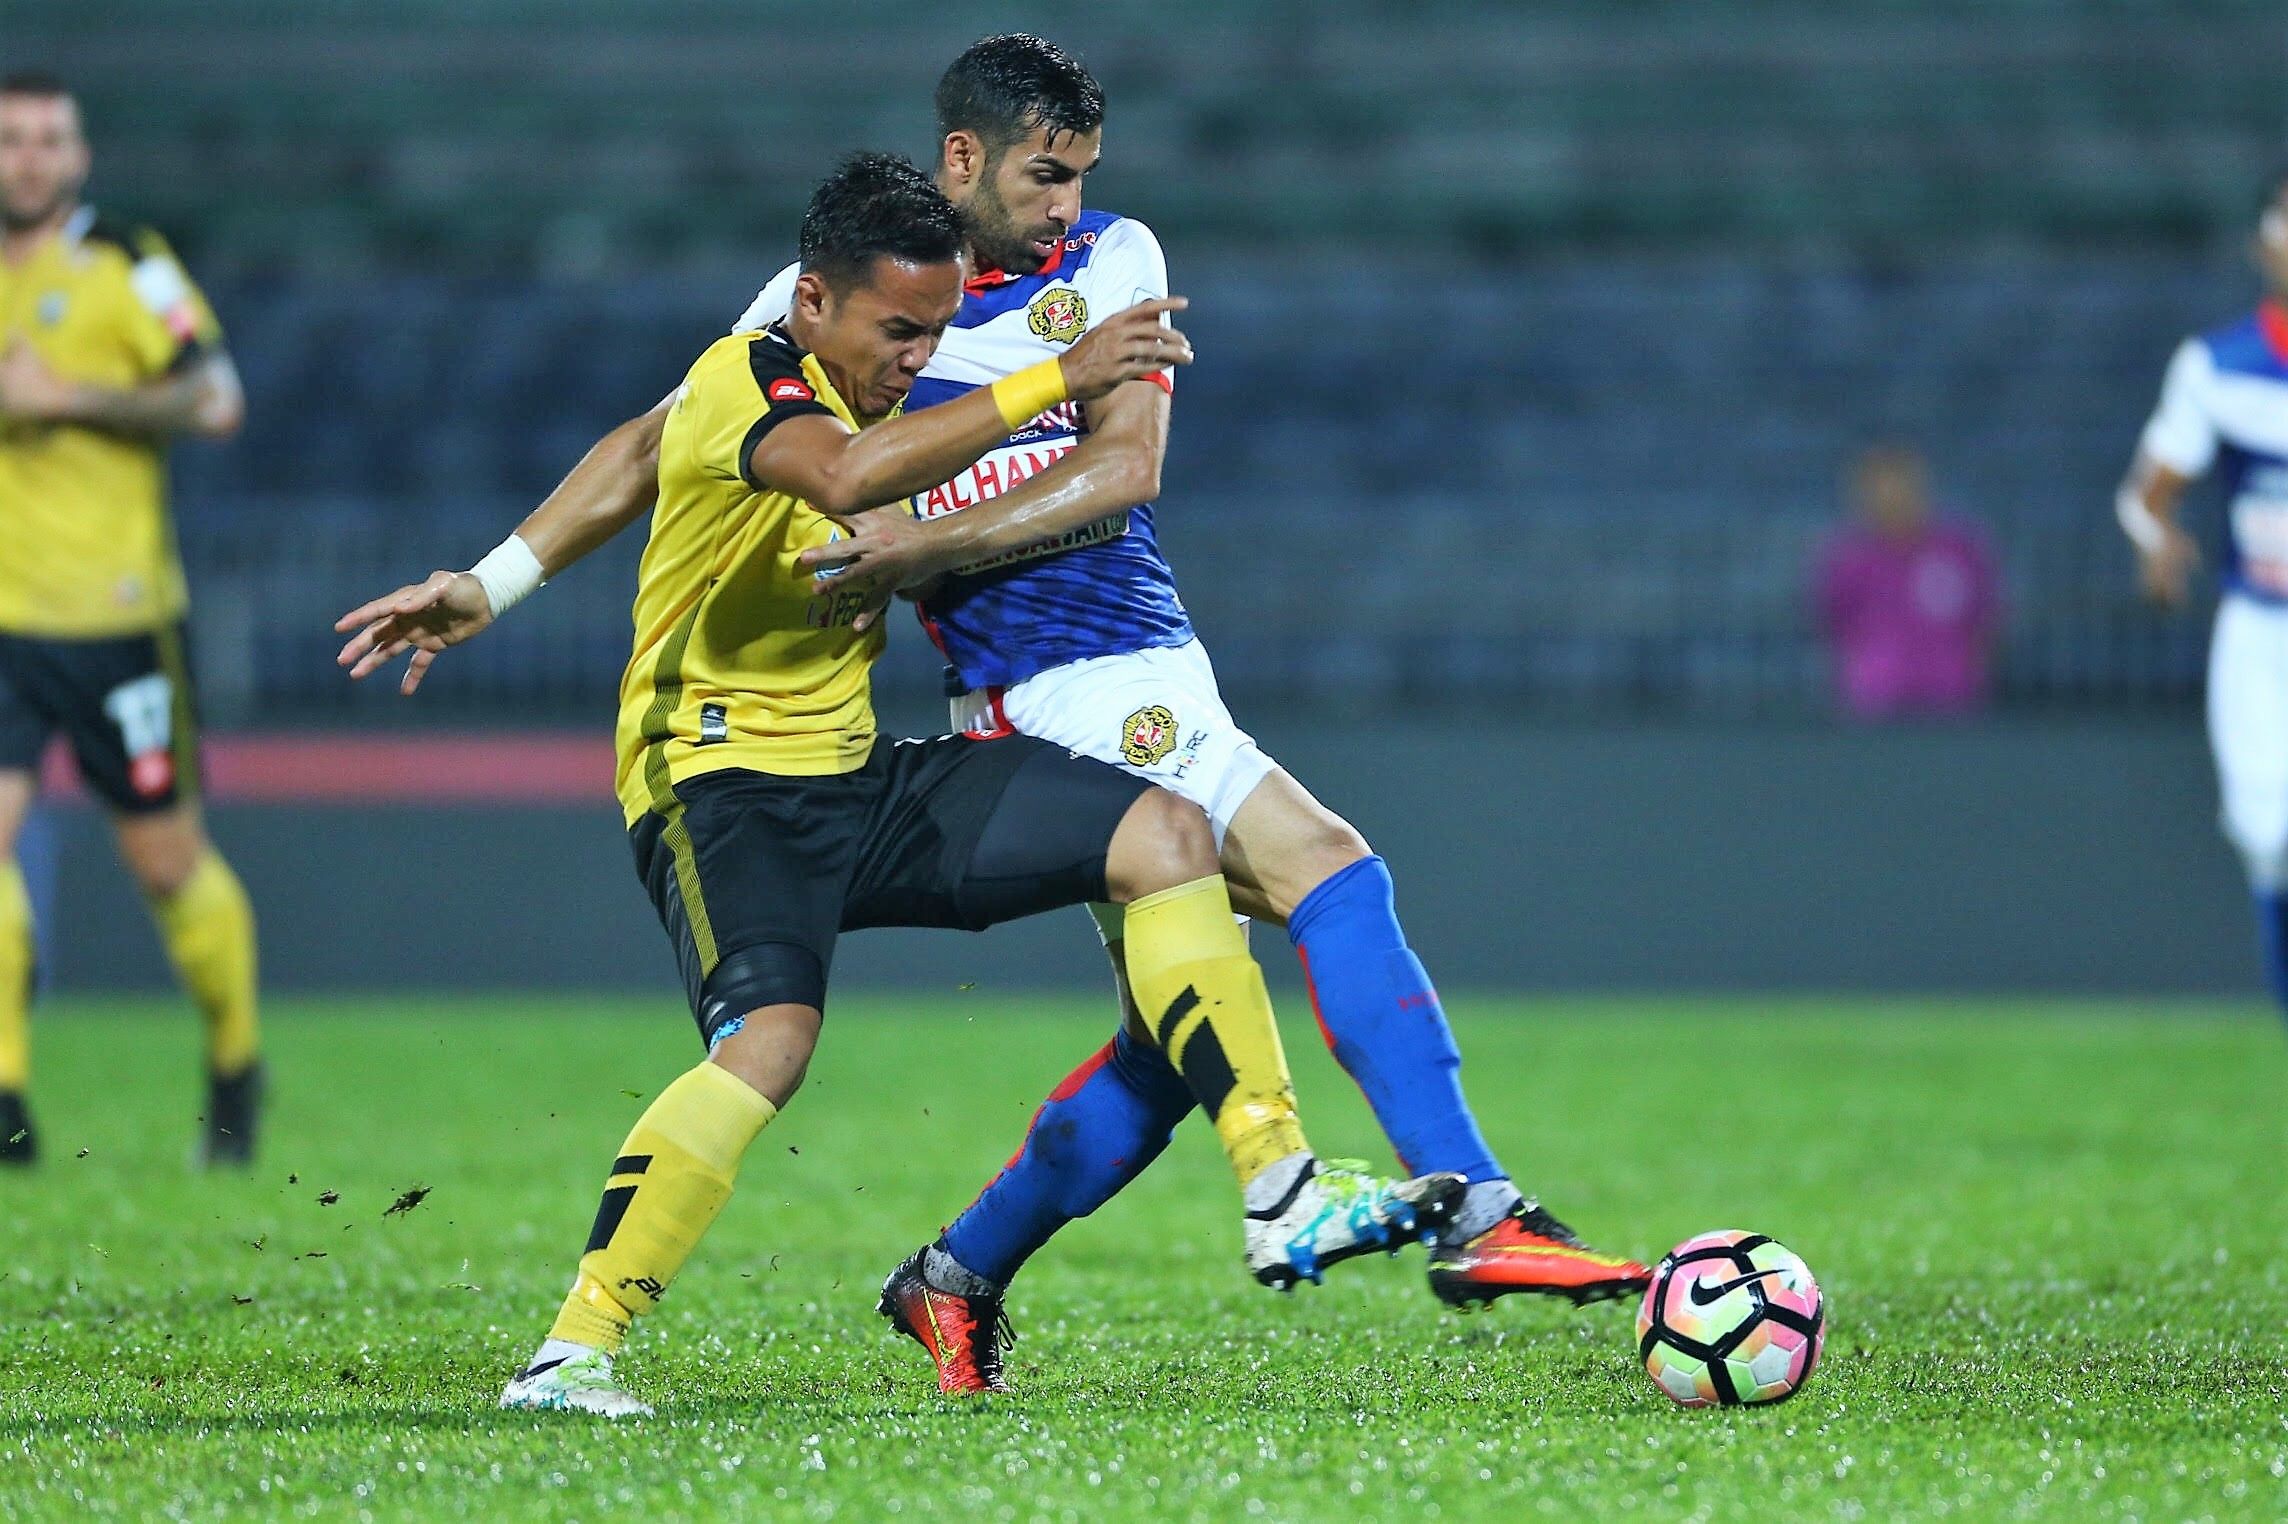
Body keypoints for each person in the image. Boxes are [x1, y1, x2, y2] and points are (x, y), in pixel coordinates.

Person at [332, 34, 1650, 1398]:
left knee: (1170, 1016)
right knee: (1327, 868)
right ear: (962, 159)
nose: (1065, 203)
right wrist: (495, 584)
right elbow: (705, 449)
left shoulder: (1111, 265)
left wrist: (925, 539)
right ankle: (1472, 1211)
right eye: (1042, 173)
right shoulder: (810, 320)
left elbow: (1123, 466)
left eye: (1081, 174)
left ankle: (957, 1276)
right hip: (1030, 687)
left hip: (1027, 695)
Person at [0, 71, 259, 1166]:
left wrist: (70, 399)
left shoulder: (128, 262)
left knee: (165, 865)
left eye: (48, 138)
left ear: (80, 154)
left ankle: (236, 1066)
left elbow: (215, 397)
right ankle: (7, 1107)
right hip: (5, 624)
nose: (30, 157)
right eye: (10, 139)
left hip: (118, 620)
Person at [2118, 168, 2288, 1020]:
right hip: (2264, 630)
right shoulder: (2220, 365)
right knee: (2270, 834)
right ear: (2263, 244)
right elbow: (2146, 492)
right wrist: (2158, 543)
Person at [1813, 444, 2002, 721]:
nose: (1893, 499)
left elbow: (1986, 616)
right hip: (1876, 696)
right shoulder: (1846, 557)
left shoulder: (1959, 549)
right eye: (1882, 490)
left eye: (1902, 488)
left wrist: (1972, 667)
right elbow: (1833, 618)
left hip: (1950, 694)